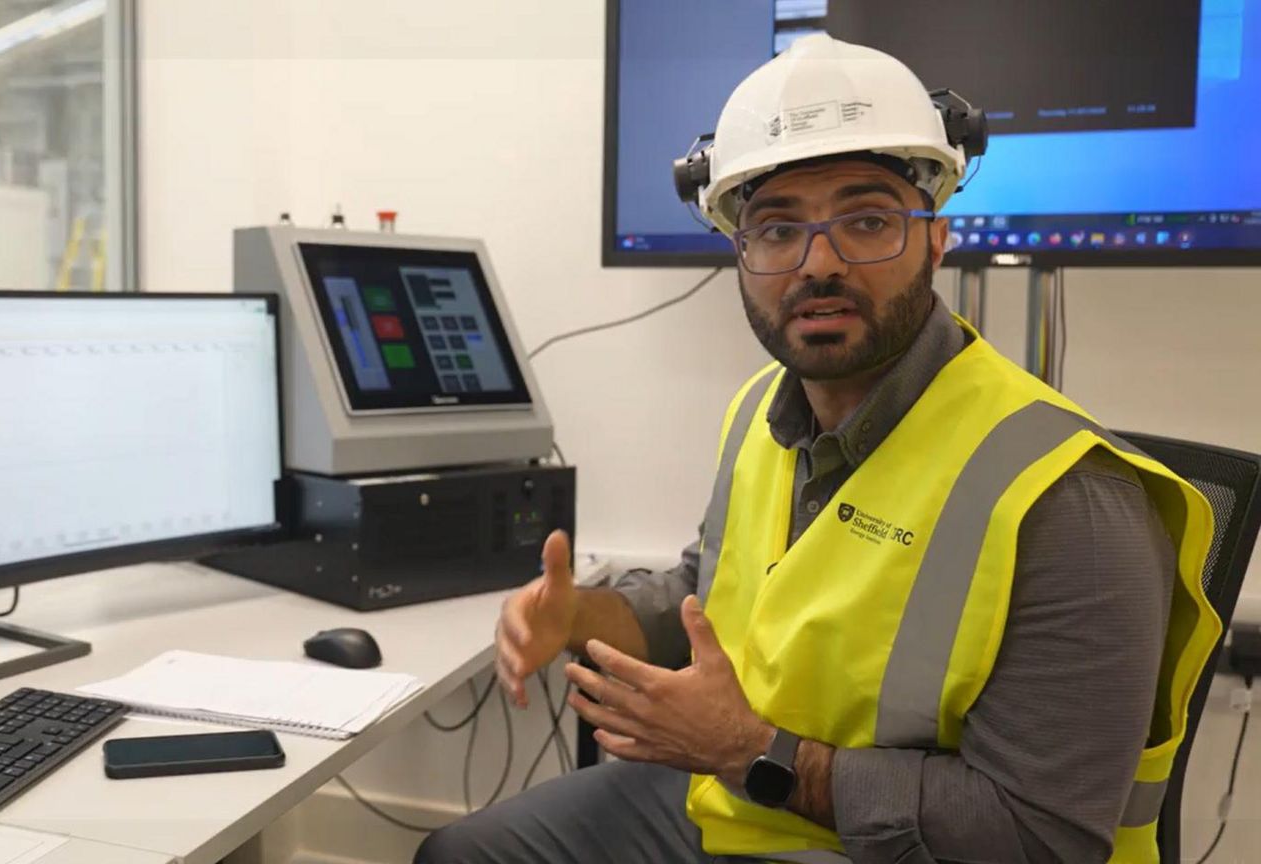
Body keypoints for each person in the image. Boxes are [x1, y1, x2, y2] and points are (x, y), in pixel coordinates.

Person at [415, 34, 1219, 864]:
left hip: (893, 847)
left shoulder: (1070, 500)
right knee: (462, 853)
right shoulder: (759, 410)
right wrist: (585, 617)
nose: (820, 263)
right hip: (743, 806)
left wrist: (749, 751)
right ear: (738, 253)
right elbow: (708, 594)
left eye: (868, 220)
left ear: (936, 239)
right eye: (776, 228)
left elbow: (1038, 836)